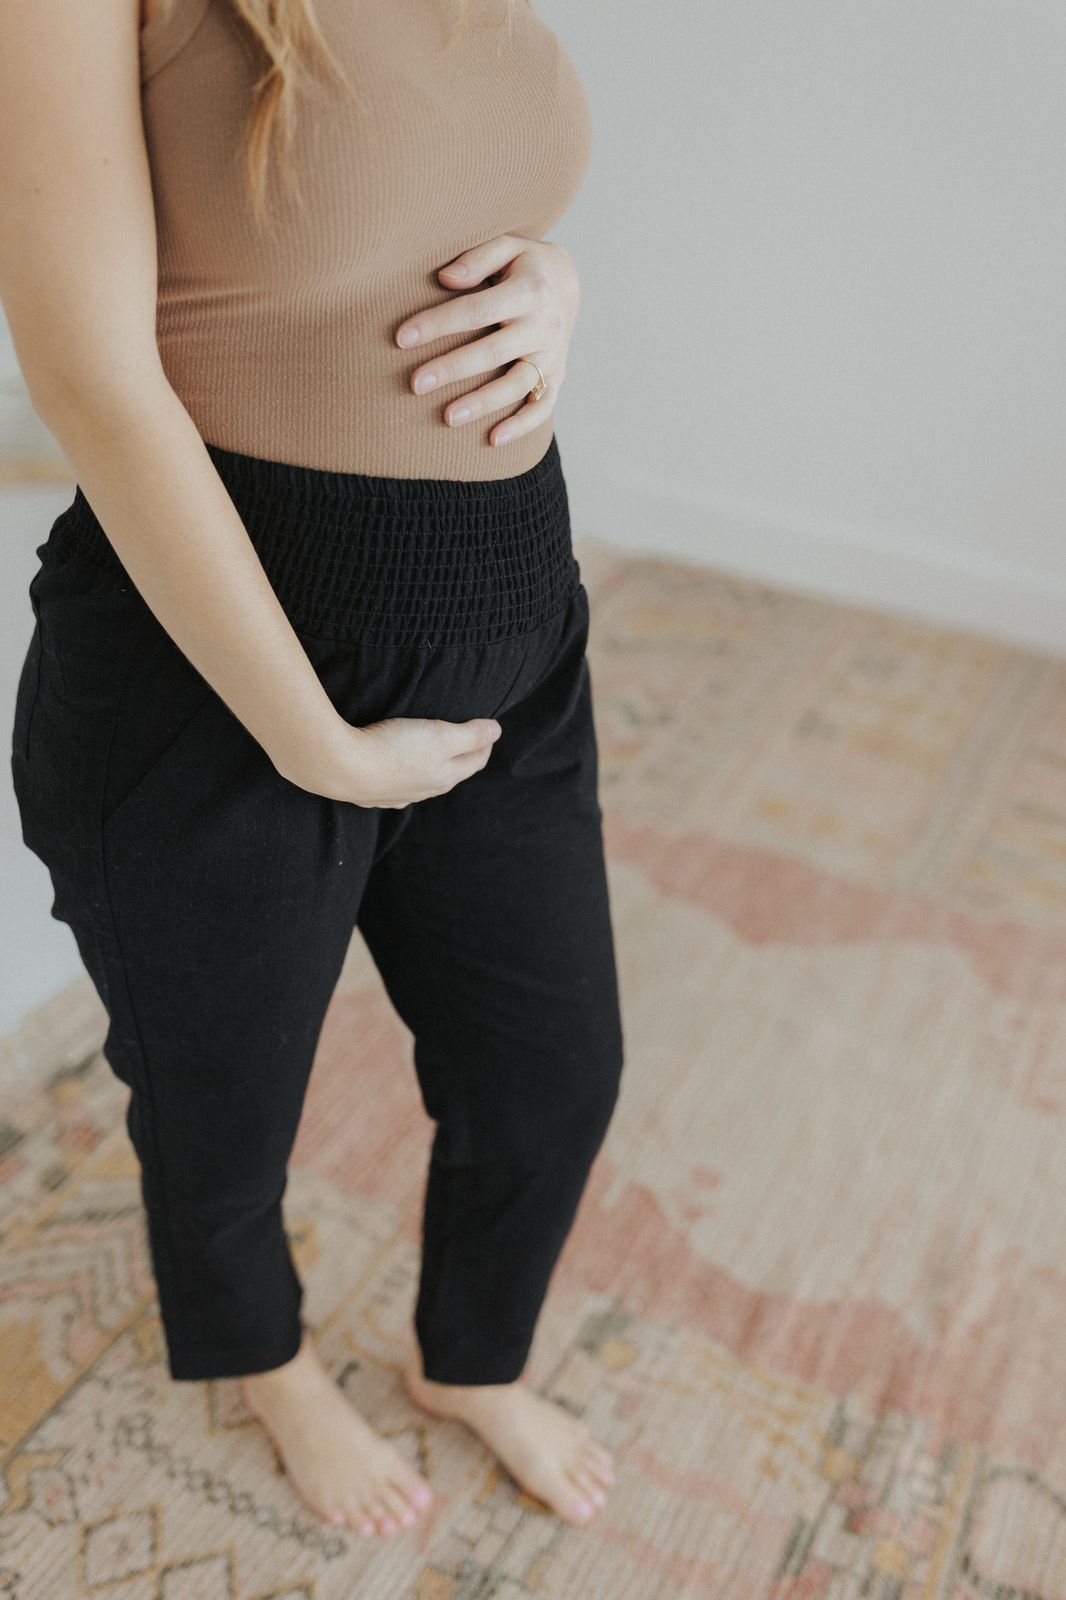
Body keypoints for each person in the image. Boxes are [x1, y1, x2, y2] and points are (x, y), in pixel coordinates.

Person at [3, 0, 624, 1538]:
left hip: (509, 632)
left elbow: (446, 188)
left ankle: (469, 1363)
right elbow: (88, 376)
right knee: (221, 1111)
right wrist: (311, 741)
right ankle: (266, 1365)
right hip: (210, 684)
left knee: (547, 1067)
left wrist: (555, 280)